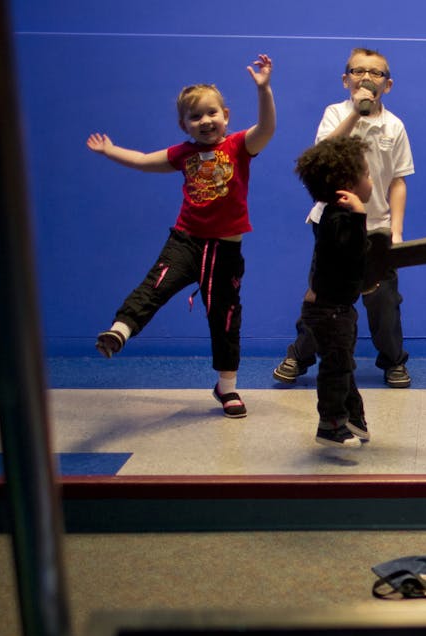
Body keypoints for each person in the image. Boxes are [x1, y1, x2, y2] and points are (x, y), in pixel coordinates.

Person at [86, 54, 276, 419]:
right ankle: (119, 331)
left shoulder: (238, 146)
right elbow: (143, 160)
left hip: (226, 249)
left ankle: (227, 387)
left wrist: (264, 90)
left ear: (226, 115)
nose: (205, 121)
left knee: (224, 317)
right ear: (184, 125)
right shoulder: (182, 154)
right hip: (185, 242)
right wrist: (110, 150)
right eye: (195, 117)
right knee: (154, 287)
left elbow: (266, 128)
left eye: (211, 113)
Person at [275, 48, 415, 390]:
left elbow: (398, 181)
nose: (366, 78)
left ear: (389, 84)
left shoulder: (394, 125)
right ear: (345, 79)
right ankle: (300, 355)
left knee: (383, 301)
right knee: (323, 296)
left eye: (375, 73)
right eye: (358, 71)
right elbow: (319, 156)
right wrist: (355, 114)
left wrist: (395, 230)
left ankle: (394, 361)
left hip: (377, 226)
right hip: (332, 224)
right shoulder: (334, 114)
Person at [294, 136, 373, 449]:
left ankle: (353, 418)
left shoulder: (334, 217)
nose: (370, 180)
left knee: (343, 364)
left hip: (337, 308)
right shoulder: (338, 219)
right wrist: (359, 215)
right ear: (347, 187)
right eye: (366, 175)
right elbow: (353, 252)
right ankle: (330, 424)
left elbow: (349, 265)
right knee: (336, 367)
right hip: (329, 311)